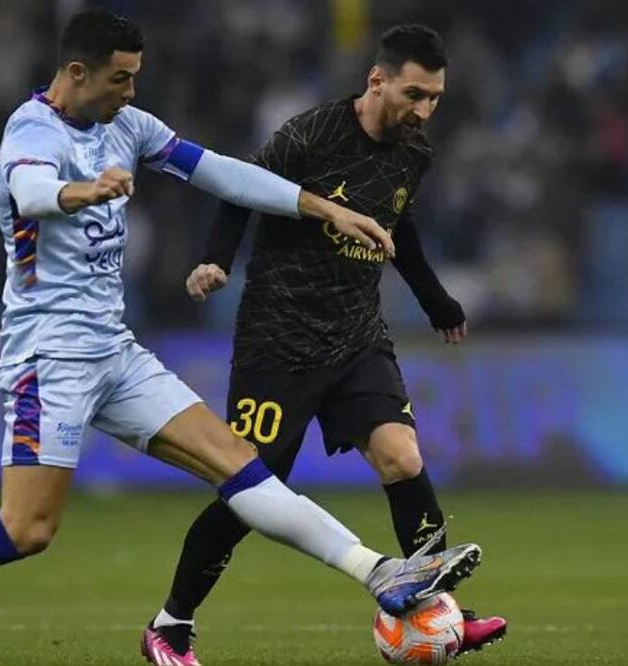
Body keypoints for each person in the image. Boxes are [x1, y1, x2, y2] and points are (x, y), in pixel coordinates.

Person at [0, 11, 482, 665]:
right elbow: (28, 190)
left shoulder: (127, 126)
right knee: (27, 530)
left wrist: (325, 206)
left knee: (239, 465)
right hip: (49, 358)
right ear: (77, 73)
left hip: (113, 349)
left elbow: (220, 172)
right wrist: (81, 191)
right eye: (120, 79)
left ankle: (378, 574)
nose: (131, 93)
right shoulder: (30, 131)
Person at [141, 24, 507, 665]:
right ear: (377, 80)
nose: (424, 112)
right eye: (415, 94)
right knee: (251, 488)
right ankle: (170, 624)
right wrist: (216, 261)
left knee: (403, 457)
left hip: (357, 337)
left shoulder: (413, 152)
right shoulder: (310, 134)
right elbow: (238, 192)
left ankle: (438, 614)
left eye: (435, 99)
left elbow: (403, 225)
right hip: (276, 343)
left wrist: (436, 301)